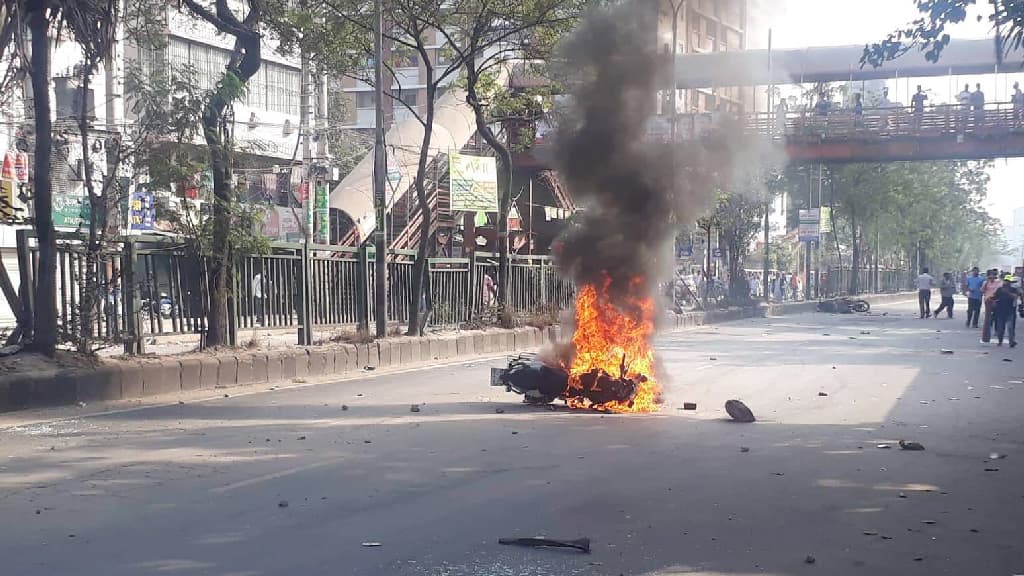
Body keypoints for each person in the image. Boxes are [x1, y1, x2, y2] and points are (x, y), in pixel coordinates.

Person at [993, 274, 1020, 347]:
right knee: (1000, 328)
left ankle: (1011, 342)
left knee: (1010, 328)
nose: (1007, 283)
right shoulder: (999, 289)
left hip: (1010, 311)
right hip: (1000, 311)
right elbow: (994, 298)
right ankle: (1000, 341)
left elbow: (1015, 296)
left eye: (1008, 281)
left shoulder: (1013, 290)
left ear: (1011, 282)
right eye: (1006, 281)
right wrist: (994, 302)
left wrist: (1007, 292)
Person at [981, 269, 1001, 343]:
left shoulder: (998, 282)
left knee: (996, 316)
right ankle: (985, 337)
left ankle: (997, 331)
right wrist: (986, 283)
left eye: (993, 275)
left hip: (996, 300)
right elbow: (982, 290)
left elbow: (999, 290)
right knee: (987, 319)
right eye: (990, 275)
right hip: (988, 301)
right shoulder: (985, 282)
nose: (991, 276)